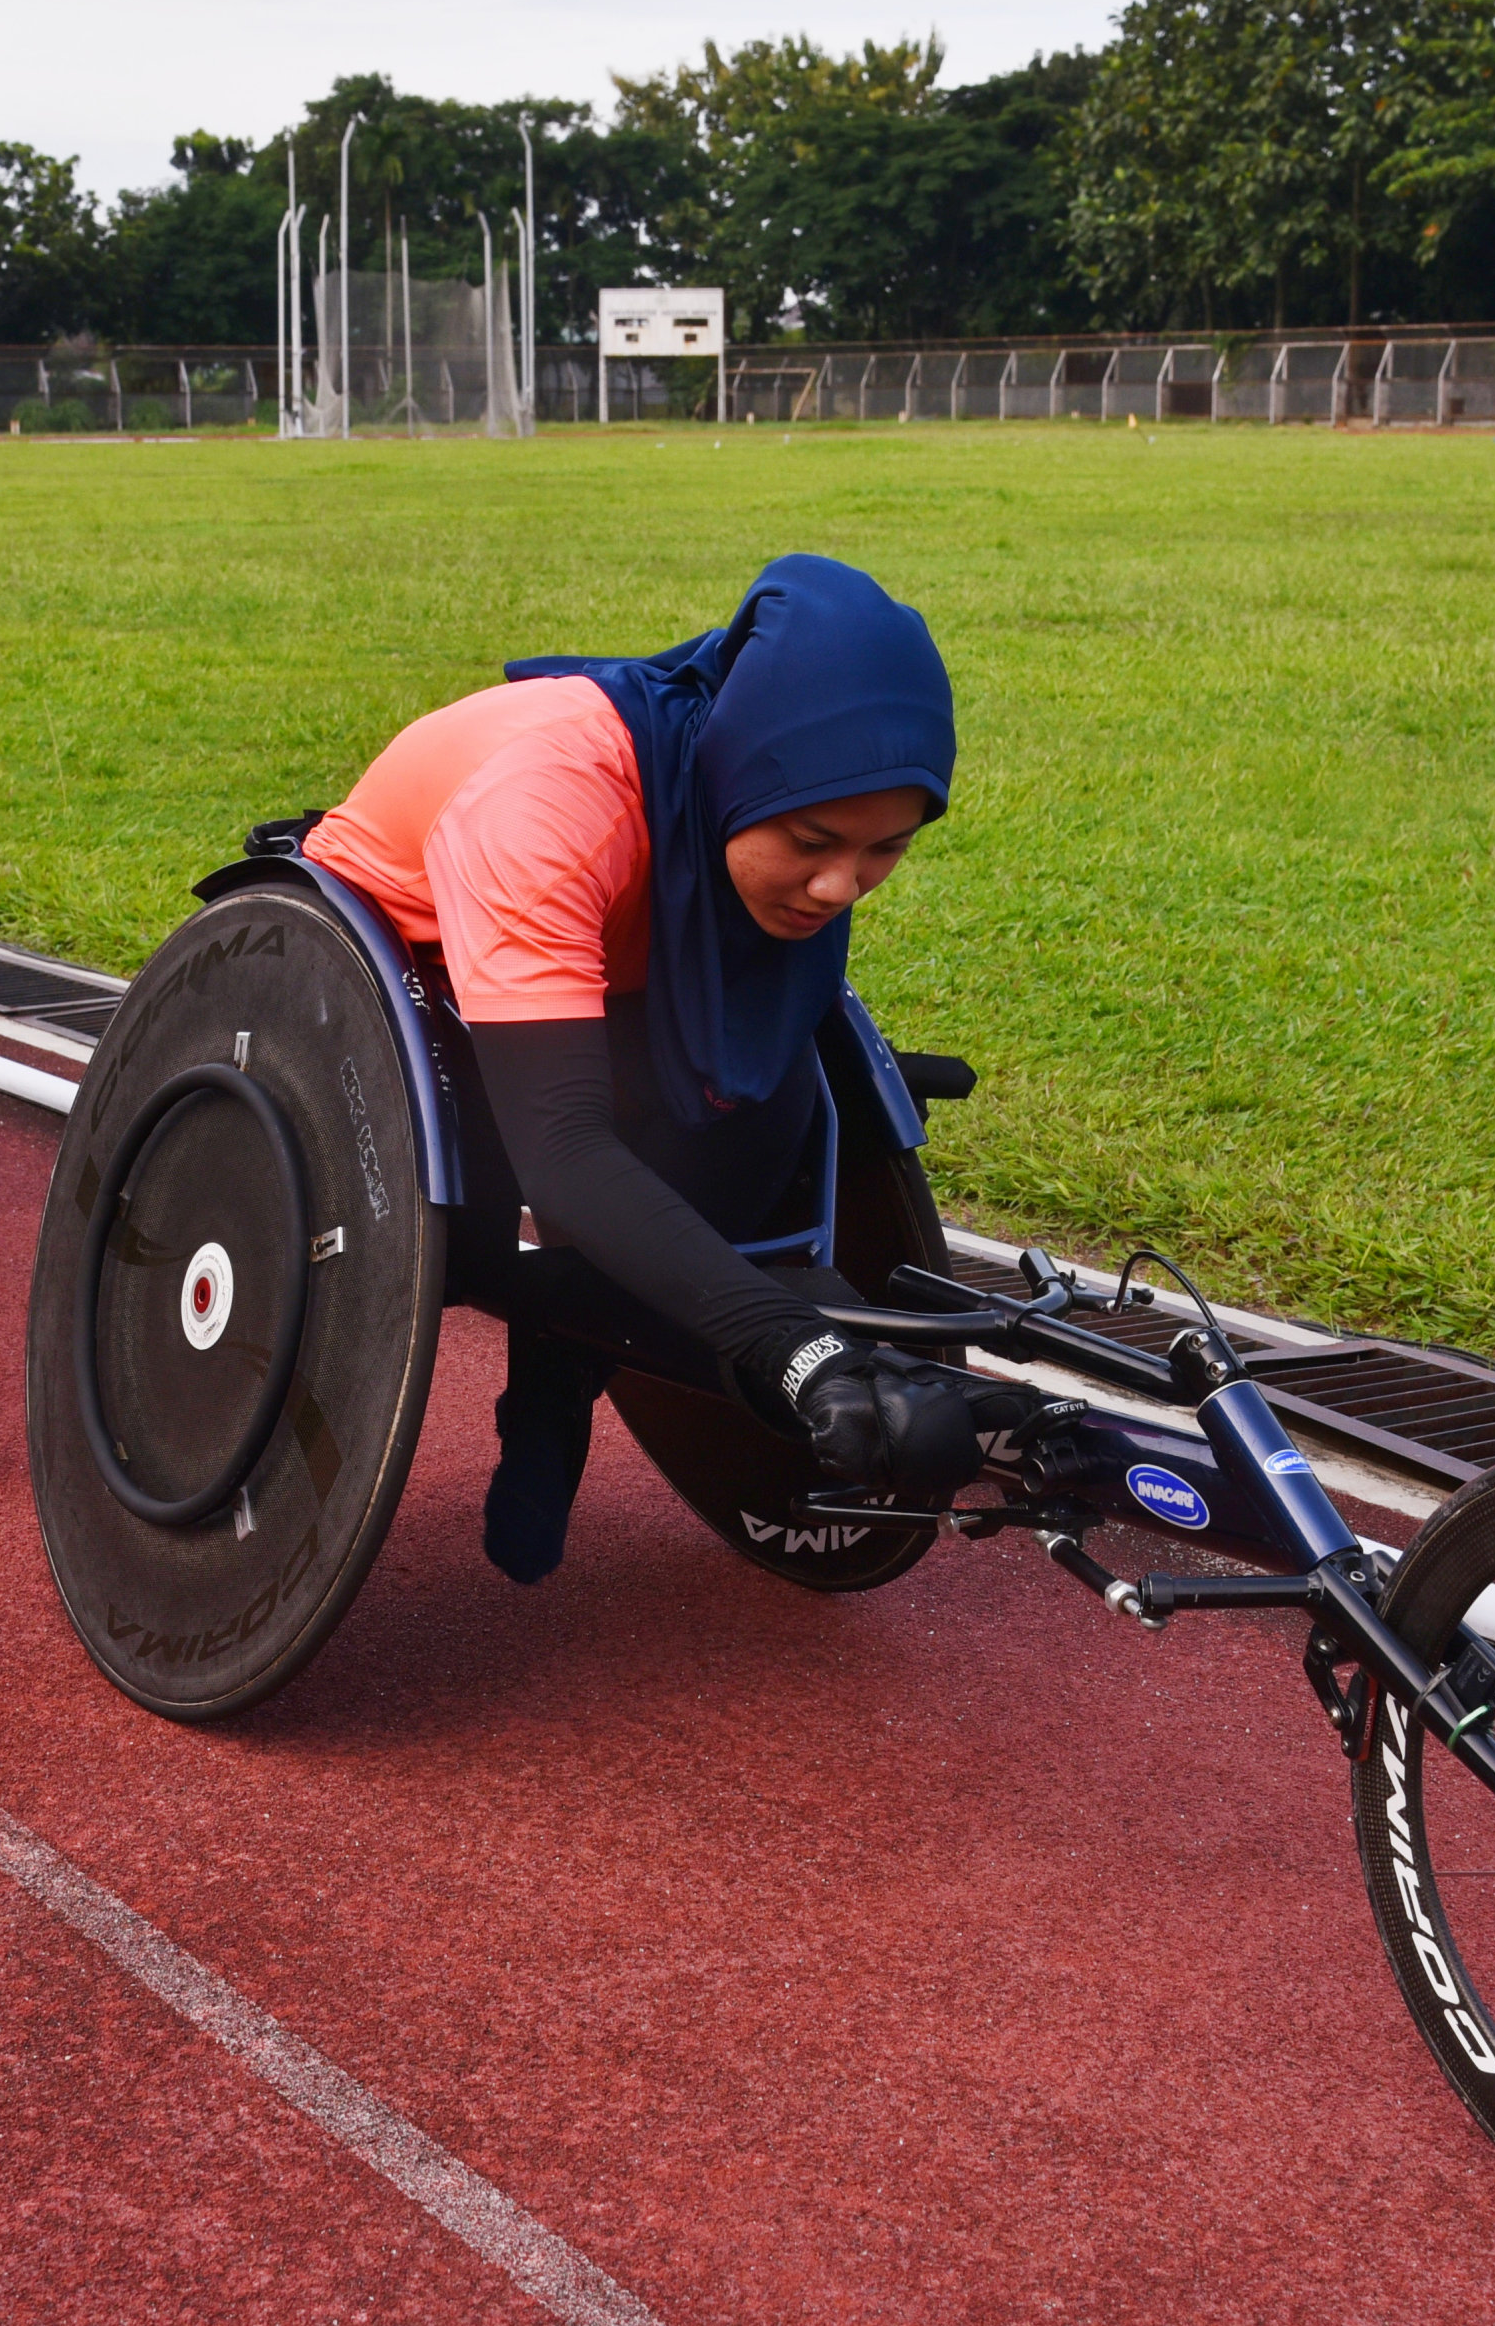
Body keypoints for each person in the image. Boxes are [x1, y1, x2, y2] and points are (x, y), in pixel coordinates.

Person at [298, 554, 983, 1584]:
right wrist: (795, 1347)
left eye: (885, 849)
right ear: (740, 777)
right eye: (812, 840)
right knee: (499, 1216)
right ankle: (557, 1353)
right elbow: (565, 1152)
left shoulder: (748, 813)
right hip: (413, 969)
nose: (840, 885)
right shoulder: (547, 809)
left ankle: (563, 1363)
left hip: (614, 951)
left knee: (764, 1108)